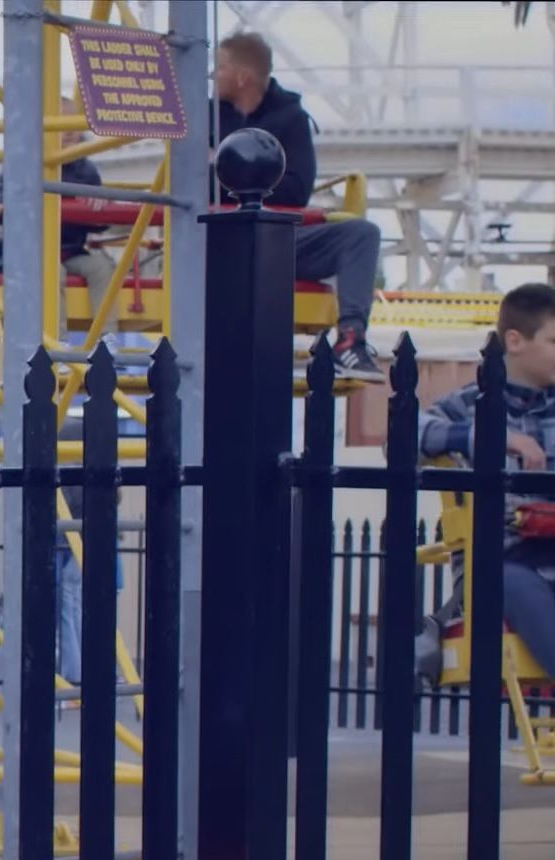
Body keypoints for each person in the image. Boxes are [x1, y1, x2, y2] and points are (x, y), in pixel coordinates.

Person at [214, 31, 384, 382]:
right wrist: (254, 180)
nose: (213, 75)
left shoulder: (290, 118)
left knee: (362, 233)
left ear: (243, 76)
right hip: (218, 239)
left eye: (220, 67)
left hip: (276, 240)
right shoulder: (207, 115)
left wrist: (224, 169)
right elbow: (187, 182)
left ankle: (350, 340)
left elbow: (296, 192)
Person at [418, 283, 555, 672]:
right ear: (515, 341)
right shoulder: (467, 405)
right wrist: (489, 436)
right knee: (513, 583)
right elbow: (402, 434)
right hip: (501, 560)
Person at [0, 100, 121, 343]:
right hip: (30, 253)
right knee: (52, 271)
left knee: (102, 268)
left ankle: (107, 338)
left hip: (69, 249)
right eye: (61, 124)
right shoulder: (24, 164)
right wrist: (8, 204)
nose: (70, 131)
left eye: (74, 123)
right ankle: (57, 338)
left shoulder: (86, 170)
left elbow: (100, 221)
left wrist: (99, 208)